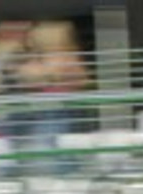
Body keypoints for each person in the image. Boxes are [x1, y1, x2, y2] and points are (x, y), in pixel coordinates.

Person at [14, 20, 89, 169]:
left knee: (51, 146)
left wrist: (48, 75)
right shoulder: (38, 59)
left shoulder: (66, 57)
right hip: (41, 111)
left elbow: (81, 80)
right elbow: (25, 80)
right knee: (45, 145)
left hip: (59, 110)